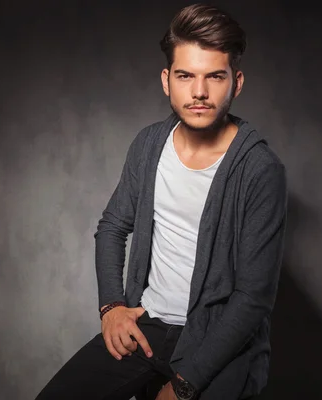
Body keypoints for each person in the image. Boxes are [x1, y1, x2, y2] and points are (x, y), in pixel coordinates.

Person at [36, 3, 287, 399]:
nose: (199, 91)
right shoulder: (149, 145)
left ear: (236, 83)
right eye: (186, 76)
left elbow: (253, 298)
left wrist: (185, 385)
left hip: (216, 341)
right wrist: (111, 307)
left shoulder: (260, 170)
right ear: (166, 80)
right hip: (148, 327)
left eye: (214, 77)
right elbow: (112, 227)